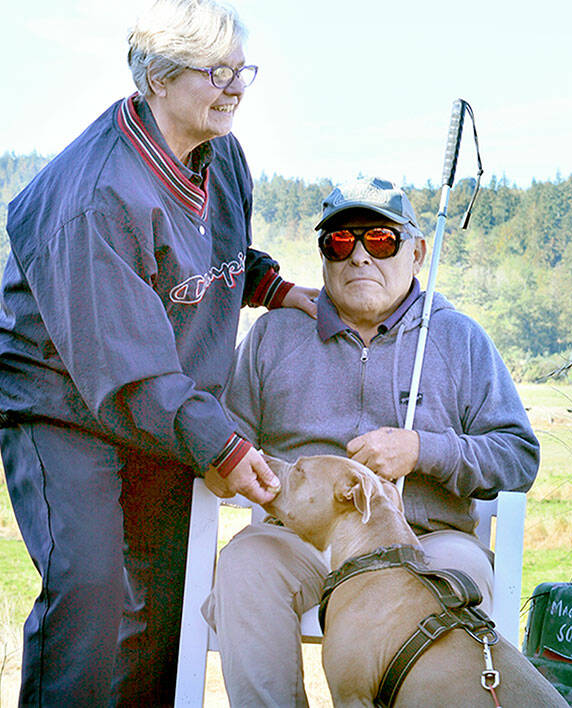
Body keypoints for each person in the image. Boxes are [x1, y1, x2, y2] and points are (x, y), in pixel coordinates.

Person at [0, 0, 317, 706]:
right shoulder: (93, 197)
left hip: (162, 403)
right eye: (215, 72)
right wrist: (225, 448)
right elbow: (126, 368)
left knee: (169, 605)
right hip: (62, 401)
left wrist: (276, 288)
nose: (234, 89)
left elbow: (204, 256)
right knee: (92, 594)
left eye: (242, 70)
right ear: (158, 77)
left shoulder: (221, 155)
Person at [204, 176, 541, 707]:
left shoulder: (458, 339)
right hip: (303, 542)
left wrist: (423, 449)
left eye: (380, 240)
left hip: (426, 544)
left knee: (461, 577)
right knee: (245, 568)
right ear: (323, 258)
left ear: (417, 251)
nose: (359, 256)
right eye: (340, 242)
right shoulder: (275, 337)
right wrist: (224, 466)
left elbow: (518, 456)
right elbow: (227, 443)